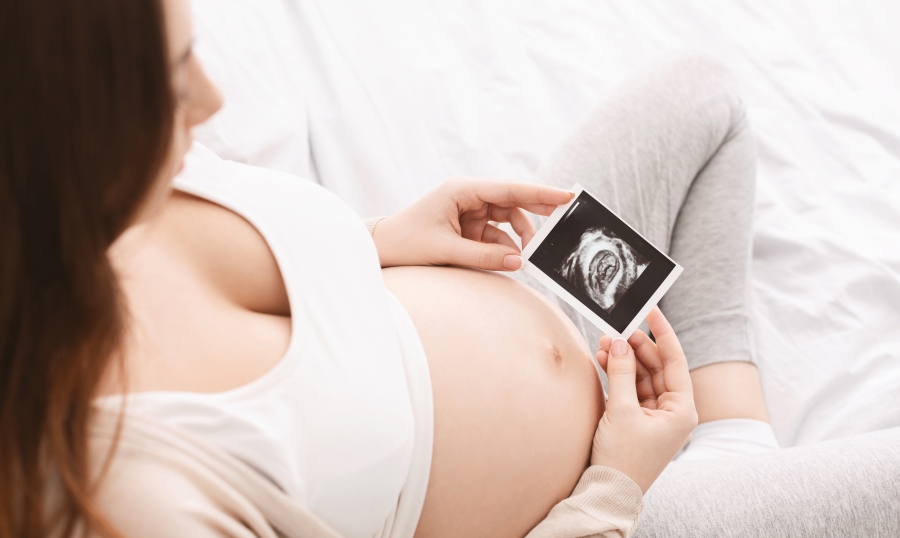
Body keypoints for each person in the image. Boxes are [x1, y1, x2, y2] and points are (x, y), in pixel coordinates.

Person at [5, 1, 898, 538]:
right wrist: (622, 479)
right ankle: (717, 485)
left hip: (561, 299)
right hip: (603, 504)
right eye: (173, 77)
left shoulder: (109, 213)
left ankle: (731, 443)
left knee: (702, 100)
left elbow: (268, 297)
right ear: (76, 137)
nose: (213, 99)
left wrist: (385, 235)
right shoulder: (132, 496)